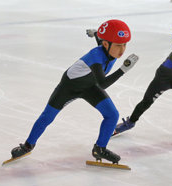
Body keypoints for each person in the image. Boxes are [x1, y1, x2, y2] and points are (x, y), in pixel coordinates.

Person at [9, 19, 139, 164]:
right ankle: (27, 146)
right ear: (106, 44)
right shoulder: (96, 55)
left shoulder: (108, 48)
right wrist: (123, 70)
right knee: (47, 117)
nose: (122, 51)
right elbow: (103, 84)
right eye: (118, 45)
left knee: (112, 114)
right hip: (69, 87)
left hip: (90, 86)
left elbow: (101, 43)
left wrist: (96, 33)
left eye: (125, 45)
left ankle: (100, 149)